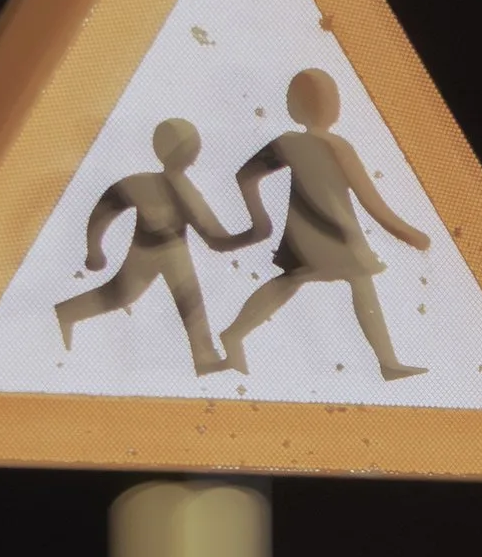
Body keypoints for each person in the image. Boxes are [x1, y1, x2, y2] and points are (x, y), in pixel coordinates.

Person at [218, 69, 432, 379]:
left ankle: (234, 333)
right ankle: (387, 362)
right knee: (355, 282)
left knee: (291, 281)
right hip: (336, 232)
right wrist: (408, 233)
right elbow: (371, 201)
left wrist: (258, 219)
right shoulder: (335, 146)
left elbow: (245, 176)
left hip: (308, 233)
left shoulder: (288, 143)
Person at [54, 115, 252, 377]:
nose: (195, 154)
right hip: (151, 251)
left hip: (170, 250)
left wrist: (94, 248)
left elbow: (214, 236)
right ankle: (67, 312)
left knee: (188, 303)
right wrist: (94, 249)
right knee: (125, 296)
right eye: (192, 148)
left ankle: (204, 358)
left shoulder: (157, 186)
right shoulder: (162, 188)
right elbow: (215, 238)